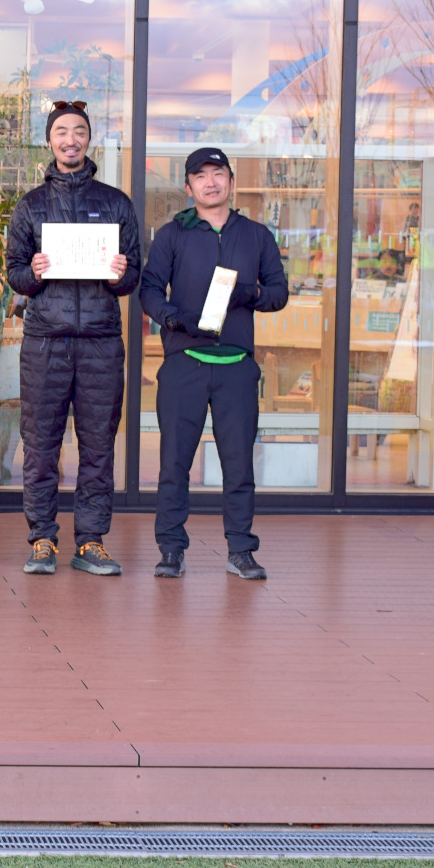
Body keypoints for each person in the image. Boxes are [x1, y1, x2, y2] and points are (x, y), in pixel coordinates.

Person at [139, 146, 289, 580]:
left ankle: (241, 550)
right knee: (174, 463)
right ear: (189, 187)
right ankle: (171, 549)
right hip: (184, 361)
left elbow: (279, 292)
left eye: (218, 173)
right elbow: (149, 289)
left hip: (236, 365)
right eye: (201, 176)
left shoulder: (257, 235)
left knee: (239, 464)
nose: (211, 182)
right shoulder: (173, 234)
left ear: (231, 182)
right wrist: (172, 317)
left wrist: (251, 294)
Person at [6, 100, 141, 577]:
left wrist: (120, 273)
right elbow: (15, 275)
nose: (70, 139)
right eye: (61, 131)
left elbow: (132, 278)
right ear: (50, 140)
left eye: (79, 131)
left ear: (88, 138)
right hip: (45, 342)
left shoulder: (116, 203)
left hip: (101, 341)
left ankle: (91, 540)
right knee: (40, 444)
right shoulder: (31, 205)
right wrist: (34, 272)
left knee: (98, 445)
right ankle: (42, 538)